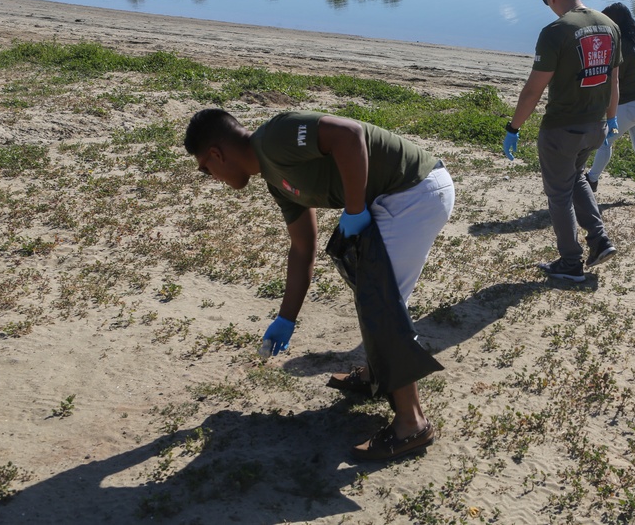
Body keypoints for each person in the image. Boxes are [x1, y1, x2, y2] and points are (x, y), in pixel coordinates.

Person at [183, 108, 455, 462]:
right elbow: (302, 250)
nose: (209, 175)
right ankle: (376, 373)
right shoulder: (275, 179)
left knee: (381, 302)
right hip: (396, 198)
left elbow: (347, 133)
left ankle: (412, 423)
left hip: (413, 191)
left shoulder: (274, 139)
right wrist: (286, 318)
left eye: (205, 167)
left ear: (217, 154)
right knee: (362, 278)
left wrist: (355, 209)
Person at [503, 0, 622, 282]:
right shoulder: (610, 25)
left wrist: (513, 128)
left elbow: (533, 90)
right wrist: (610, 119)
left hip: (562, 128)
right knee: (576, 178)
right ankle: (600, 241)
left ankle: (570, 263)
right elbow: (614, 82)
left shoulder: (555, 31)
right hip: (595, 127)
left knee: (558, 195)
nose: (548, 4)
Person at [585, 2, 635, 204]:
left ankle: (591, 180)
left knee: (604, 141)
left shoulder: (621, 45)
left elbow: (614, 81)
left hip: (630, 105)